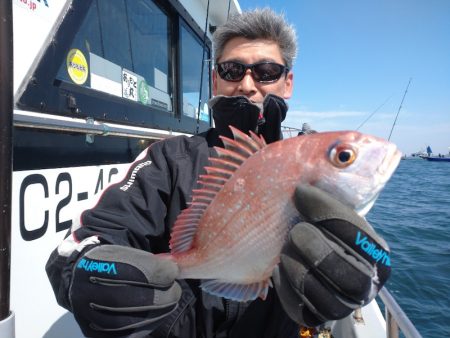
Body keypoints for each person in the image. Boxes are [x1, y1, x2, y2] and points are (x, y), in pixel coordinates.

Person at [46, 8, 391, 338]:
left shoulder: (306, 164)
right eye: (232, 70)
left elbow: (350, 248)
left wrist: (362, 269)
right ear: (215, 80)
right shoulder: (170, 159)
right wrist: (89, 271)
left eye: (266, 71)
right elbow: (82, 246)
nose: (247, 84)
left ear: (288, 83)